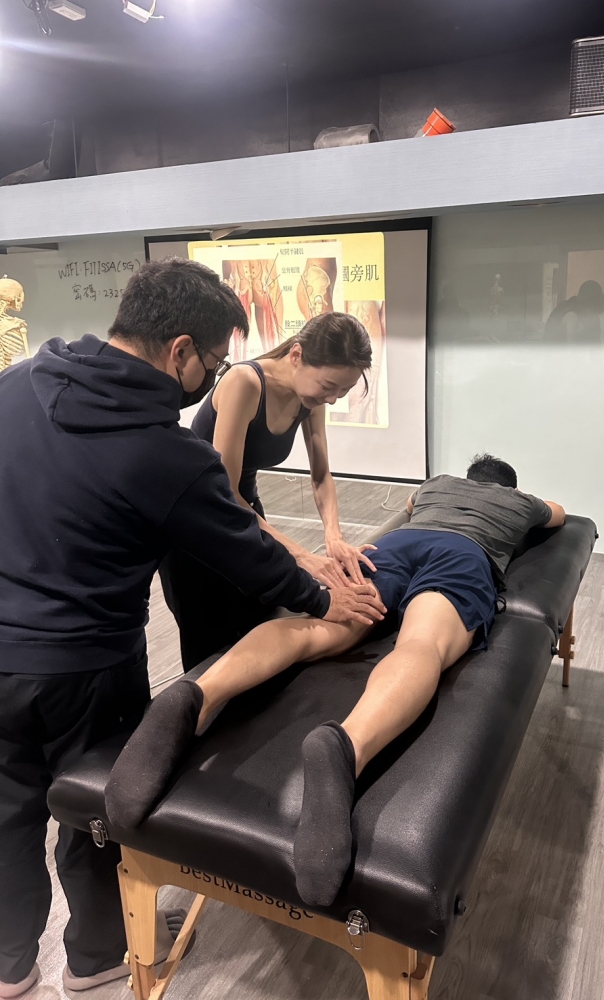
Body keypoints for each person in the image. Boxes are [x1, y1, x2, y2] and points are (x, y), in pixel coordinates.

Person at [0, 259, 385, 998]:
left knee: (6, 810)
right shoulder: (165, 452)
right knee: (93, 812)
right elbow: (245, 551)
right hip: (86, 666)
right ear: (180, 350)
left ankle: (8, 964)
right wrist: (323, 600)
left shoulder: (16, 385)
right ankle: (96, 955)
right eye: (210, 361)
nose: (212, 376)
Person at [105, 454, 565, 908]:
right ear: (508, 487)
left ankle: (199, 694)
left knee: (319, 629)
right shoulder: (519, 502)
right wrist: (521, 505)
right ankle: (348, 748)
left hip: (395, 547)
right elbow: (558, 515)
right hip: (462, 555)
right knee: (422, 644)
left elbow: (410, 505)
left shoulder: (436, 484)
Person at [160, 311, 379, 671]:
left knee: (262, 622)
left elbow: (320, 475)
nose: (334, 399)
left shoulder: (310, 399)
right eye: (329, 387)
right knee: (210, 645)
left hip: (243, 508)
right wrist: (301, 556)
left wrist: (334, 537)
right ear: (297, 355)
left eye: (344, 390)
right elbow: (225, 491)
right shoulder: (244, 382)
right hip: (196, 521)